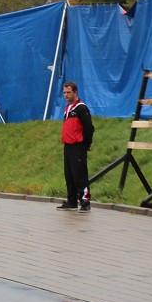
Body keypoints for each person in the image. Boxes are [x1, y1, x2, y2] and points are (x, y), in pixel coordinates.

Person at [57, 81, 94, 212]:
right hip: (68, 146)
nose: (66, 95)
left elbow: (89, 128)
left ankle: (85, 201)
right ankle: (72, 201)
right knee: (69, 175)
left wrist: (87, 144)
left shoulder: (81, 108)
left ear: (75, 92)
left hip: (78, 146)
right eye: (64, 93)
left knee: (79, 175)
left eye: (69, 92)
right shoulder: (68, 108)